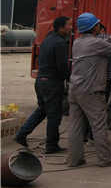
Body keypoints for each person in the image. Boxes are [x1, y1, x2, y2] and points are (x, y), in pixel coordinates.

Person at [67, 12, 111, 167]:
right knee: (98, 125)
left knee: (75, 126)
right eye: (98, 24)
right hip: (91, 91)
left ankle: (74, 159)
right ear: (94, 27)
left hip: (75, 90)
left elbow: (102, 45)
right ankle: (105, 159)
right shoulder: (95, 44)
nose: (100, 26)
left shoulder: (78, 42)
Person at [15, 16, 72, 153]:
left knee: (42, 110)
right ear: (61, 27)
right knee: (54, 115)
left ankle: (21, 134)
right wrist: (68, 78)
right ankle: (51, 145)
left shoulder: (48, 39)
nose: (71, 28)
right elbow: (62, 66)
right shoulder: (59, 43)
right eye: (69, 25)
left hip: (41, 81)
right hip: (52, 83)